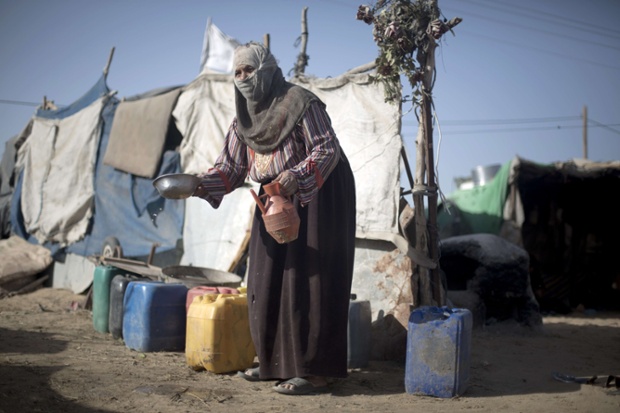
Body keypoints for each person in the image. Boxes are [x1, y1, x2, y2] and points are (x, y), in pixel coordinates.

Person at [192, 42, 356, 395]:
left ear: (266, 69)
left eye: (249, 70)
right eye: (237, 72)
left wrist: (295, 180)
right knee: (265, 279)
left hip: (320, 190)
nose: (243, 78)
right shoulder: (244, 120)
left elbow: (327, 148)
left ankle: (314, 371)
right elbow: (233, 168)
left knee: (311, 281)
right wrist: (197, 184)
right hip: (274, 195)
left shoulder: (299, 102)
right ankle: (271, 364)